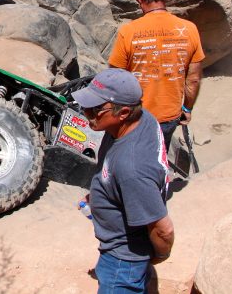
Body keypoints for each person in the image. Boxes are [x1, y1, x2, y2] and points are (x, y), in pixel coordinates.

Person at [72, 68, 174, 294]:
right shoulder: (139, 119)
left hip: (122, 260)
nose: (86, 112)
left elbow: (163, 231)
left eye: (95, 109)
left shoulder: (133, 167)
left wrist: (157, 255)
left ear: (124, 112)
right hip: (124, 252)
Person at [109, 0, 204, 151]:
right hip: (169, 116)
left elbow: (114, 78)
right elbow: (193, 79)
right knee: (158, 157)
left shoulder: (128, 32)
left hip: (135, 116)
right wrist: (187, 108)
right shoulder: (189, 29)